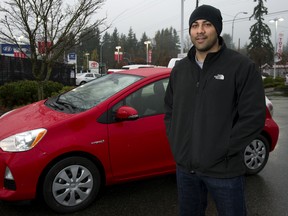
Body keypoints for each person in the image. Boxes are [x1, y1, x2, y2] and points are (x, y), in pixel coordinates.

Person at [164, 4, 266, 216]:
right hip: (186, 169)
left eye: (207, 24)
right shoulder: (180, 70)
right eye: (195, 25)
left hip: (224, 170)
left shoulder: (241, 67)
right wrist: (177, 142)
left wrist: (224, 149)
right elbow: (170, 111)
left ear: (217, 29)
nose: (199, 30)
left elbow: (253, 118)